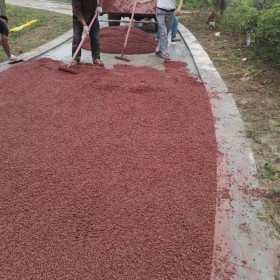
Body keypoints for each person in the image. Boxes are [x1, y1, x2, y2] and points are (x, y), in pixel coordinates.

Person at [72, 0, 104, 65]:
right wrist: (84, 25)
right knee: (76, 38)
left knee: (95, 38)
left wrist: (100, 6)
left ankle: (96, 58)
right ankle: (75, 59)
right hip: (79, 17)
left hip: (92, 16)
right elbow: (76, 10)